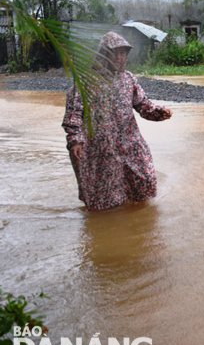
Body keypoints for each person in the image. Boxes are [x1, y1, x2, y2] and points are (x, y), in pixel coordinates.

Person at [62, 31, 172, 211]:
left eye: (123, 53)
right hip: (99, 147)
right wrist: (75, 140)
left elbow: (142, 104)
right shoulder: (86, 80)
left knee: (144, 180)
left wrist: (159, 113)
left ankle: (137, 222)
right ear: (103, 54)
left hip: (129, 142)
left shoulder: (128, 79)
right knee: (105, 199)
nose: (119, 57)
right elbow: (74, 112)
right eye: (115, 52)